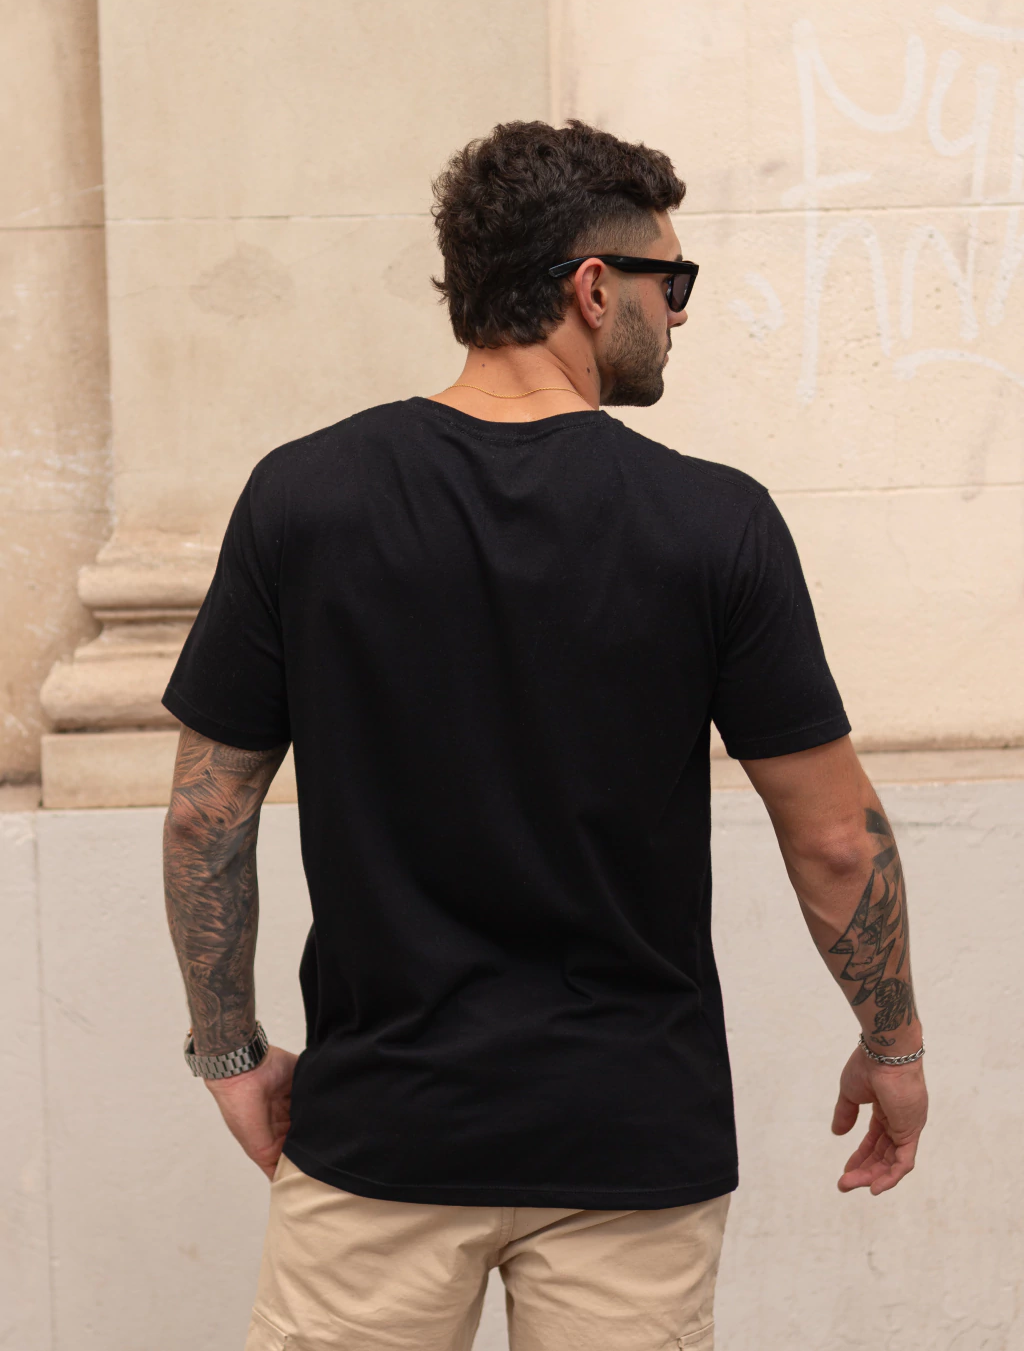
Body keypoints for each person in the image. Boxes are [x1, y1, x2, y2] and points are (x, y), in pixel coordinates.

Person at [162, 119, 928, 1351]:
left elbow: (207, 815)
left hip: (382, 1137)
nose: (679, 312)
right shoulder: (713, 524)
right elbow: (837, 839)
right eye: (671, 281)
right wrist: (891, 1044)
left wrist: (227, 1051)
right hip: (630, 1140)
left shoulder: (303, 497)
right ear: (592, 288)